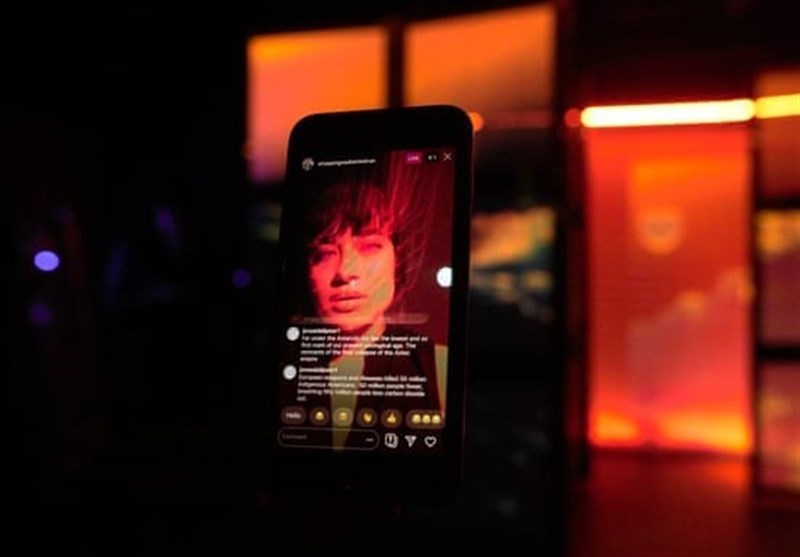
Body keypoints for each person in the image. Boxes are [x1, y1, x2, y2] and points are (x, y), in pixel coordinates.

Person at [291, 169, 446, 449]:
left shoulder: (438, 367)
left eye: (370, 246)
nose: (345, 271)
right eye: (324, 253)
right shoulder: (284, 367)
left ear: (398, 259)